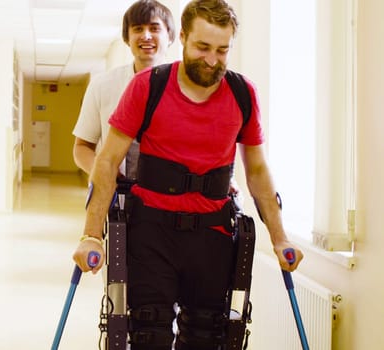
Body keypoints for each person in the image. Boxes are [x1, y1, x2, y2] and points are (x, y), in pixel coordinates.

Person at [73, 0, 304, 349]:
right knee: (148, 335)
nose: (212, 60)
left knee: (206, 337)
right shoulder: (147, 86)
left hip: (211, 237)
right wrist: (92, 235)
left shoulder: (242, 93)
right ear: (182, 37)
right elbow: (106, 162)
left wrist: (280, 238)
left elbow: (256, 169)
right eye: (202, 48)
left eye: (222, 50)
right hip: (150, 234)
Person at [72, 0, 175, 179]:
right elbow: (82, 148)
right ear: (127, 38)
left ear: (171, 36)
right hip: (118, 196)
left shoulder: (186, 88)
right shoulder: (102, 85)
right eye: (137, 29)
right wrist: (104, 173)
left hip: (170, 196)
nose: (146, 36)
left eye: (154, 28)